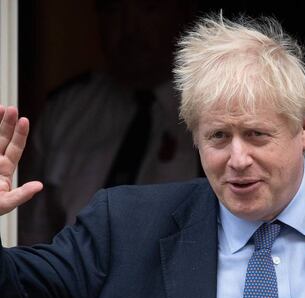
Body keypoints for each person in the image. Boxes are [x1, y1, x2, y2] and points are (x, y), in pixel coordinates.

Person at [1, 13, 305, 298]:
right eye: (218, 136)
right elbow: (17, 290)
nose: (237, 159)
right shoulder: (123, 229)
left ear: (304, 127)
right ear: (195, 137)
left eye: (256, 134)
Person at [19, 0, 200, 244]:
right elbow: (32, 233)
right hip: (73, 276)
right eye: (115, 10)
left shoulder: (209, 111)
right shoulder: (68, 109)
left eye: (149, 8)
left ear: (182, 15)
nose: (130, 28)